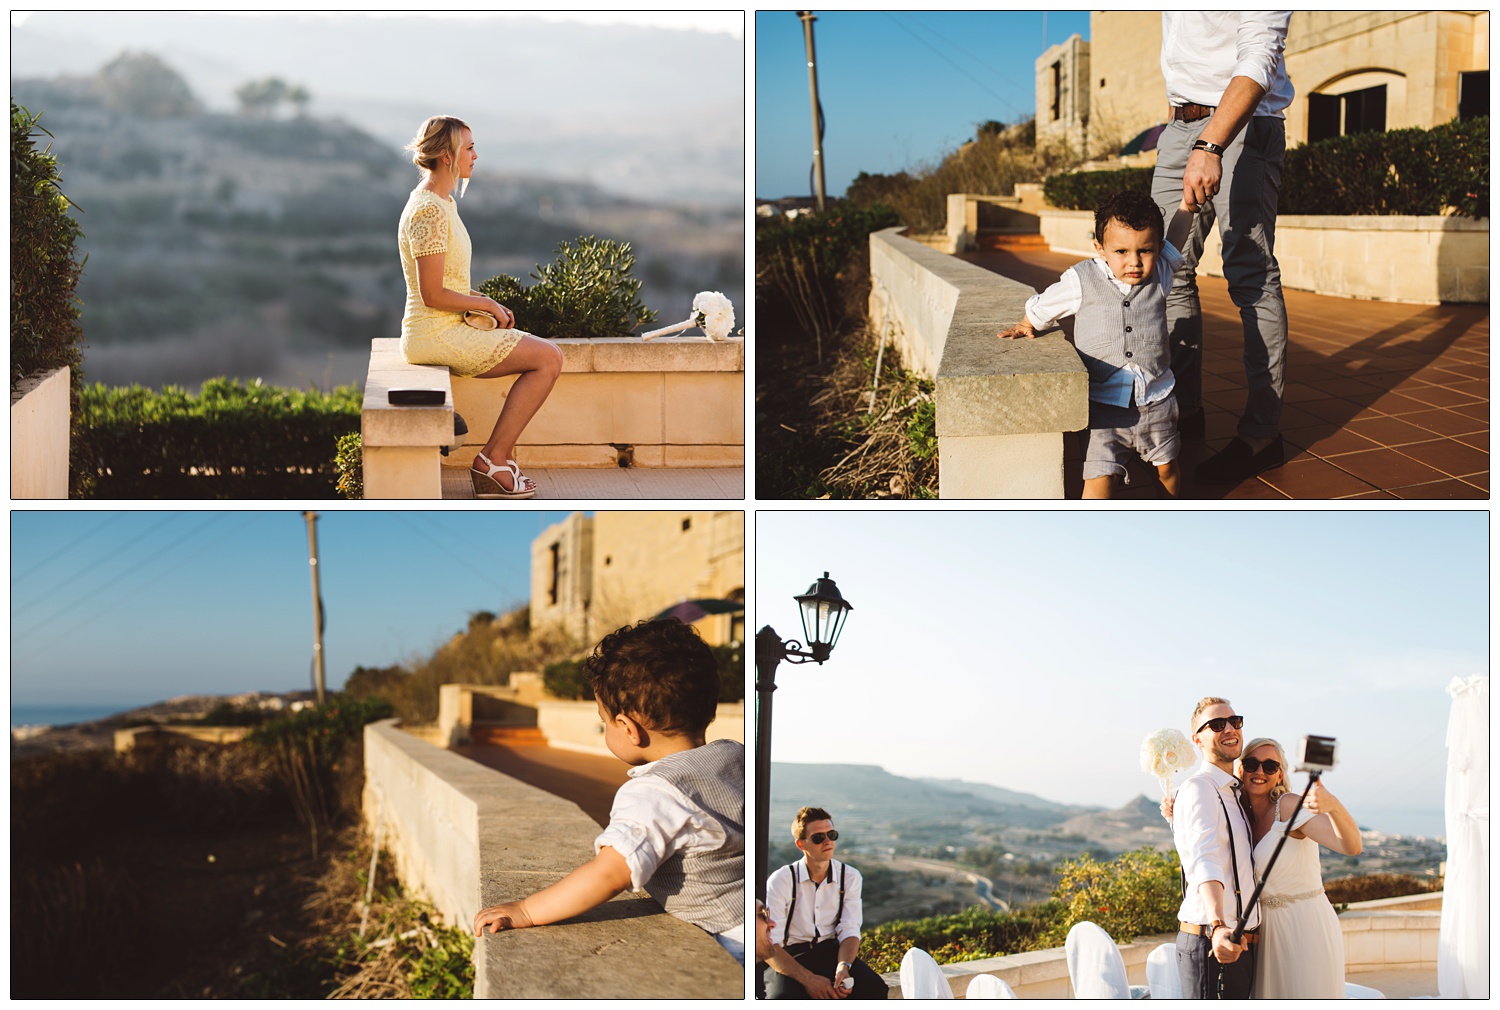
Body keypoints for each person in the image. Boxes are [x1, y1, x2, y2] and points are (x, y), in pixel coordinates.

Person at [472, 620, 746, 964]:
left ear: (628, 729)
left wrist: (526, 910)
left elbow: (610, 874)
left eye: (605, 721)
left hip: (727, 941)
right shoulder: (736, 755)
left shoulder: (654, 793)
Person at [1151, 12, 1294, 484]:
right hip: (1178, 126)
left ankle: (1261, 434)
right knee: (1165, 268)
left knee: (1249, 273)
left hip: (1245, 123)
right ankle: (1185, 410)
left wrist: (1210, 146)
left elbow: (1260, 55)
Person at [398, 115, 563, 499]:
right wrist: (484, 301)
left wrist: (483, 306)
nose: (476, 155)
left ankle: (495, 459)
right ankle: (493, 461)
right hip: (434, 332)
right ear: (445, 155)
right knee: (548, 359)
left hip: (445, 326)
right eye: (468, 148)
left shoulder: (443, 203)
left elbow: (447, 283)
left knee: (547, 356)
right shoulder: (429, 211)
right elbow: (432, 295)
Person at [999, 189, 1196, 498]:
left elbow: (1178, 237)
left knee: (1167, 468)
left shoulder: (1160, 271)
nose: (1134, 262)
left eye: (1144, 250)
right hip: (1103, 407)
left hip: (1157, 400)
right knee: (1099, 479)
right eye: (1121, 252)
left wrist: (1188, 206)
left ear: (1157, 248)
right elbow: (1047, 304)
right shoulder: (1082, 279)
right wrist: (1028, 323)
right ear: (1100, 248)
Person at [1237, 737, 1361, 998]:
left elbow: (1350, 846)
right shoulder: (1240, 814)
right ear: (1241, 769)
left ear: (1280, 774)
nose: (1259, 771)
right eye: (1251, 763)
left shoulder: (1289, 806)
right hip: (1265, 931)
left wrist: (1334, 806)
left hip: (1305, 926)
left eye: (1270, 766)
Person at [1172, 697, 1260, 999]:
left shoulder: (1232, 792)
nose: (1229, 729)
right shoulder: (1200, 788)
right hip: (1212, 940)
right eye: (1217, 724)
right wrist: (1219, 924)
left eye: (1234, 722)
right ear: (1197, 739)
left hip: (1237, 942)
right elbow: (1204, 860)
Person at [763, 807, 888, 999]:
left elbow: (849, 928)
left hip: (832, 953)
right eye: (818, 837)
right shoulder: (782, 880)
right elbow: (772, 944)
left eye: (831, 834)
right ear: (801, 844)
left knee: (875, 988)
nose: (828, 841)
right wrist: (808, 979)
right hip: (791, 955)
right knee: (782, 998)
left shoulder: (850, 877)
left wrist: (843, 967)